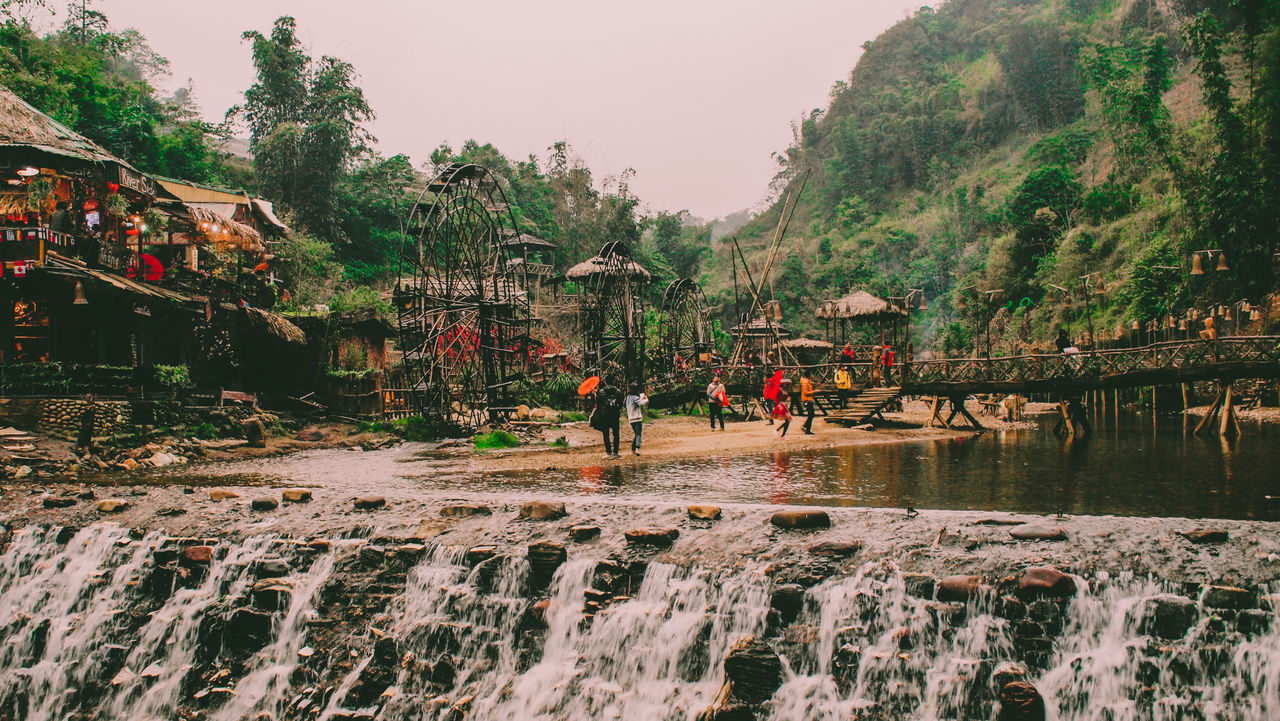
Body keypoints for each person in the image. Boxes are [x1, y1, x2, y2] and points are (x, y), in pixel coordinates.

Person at [591, 375, 623, 458]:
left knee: (606, 434)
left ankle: (608, 452)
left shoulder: (601, 392)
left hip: (604, 416)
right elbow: (620, 405)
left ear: (605, 382)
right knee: (616, 434)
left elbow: (598, 404)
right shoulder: (619, 392)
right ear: (614, 381)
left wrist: (596, 395)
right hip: (615, 416)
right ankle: (615, 452)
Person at [625, 383, 648, 455]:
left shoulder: (627, 398)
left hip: (631, 419)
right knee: (638, 434)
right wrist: (645, 398)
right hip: (637, 418)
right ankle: (637, 448)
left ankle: (633, 449)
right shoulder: (635, 397)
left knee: (636, 433)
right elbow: (642, 403)